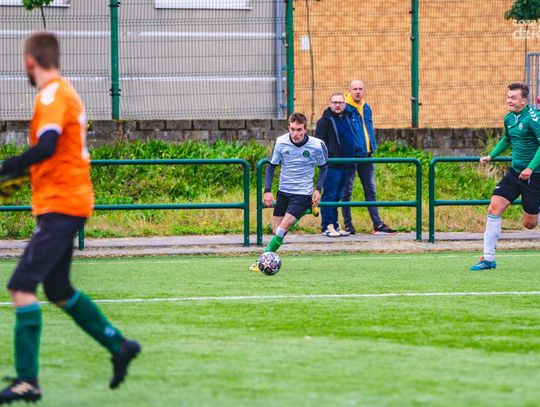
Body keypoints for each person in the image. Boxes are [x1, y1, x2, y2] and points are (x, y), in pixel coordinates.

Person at [0, 32, 140, 405]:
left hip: (62, 205)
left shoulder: (51, 95)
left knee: (21, 286)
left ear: (30, 62)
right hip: (65, 202)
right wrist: (16, 177)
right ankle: (119, 345)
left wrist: (8, 166)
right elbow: (55, 153)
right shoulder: (64, 93)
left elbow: (46, 145)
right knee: (58, 290)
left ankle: (27, 381)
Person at [470, 83, 540, 271]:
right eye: (508, 97)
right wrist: (491, 155)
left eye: (513, 97)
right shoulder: (509, 118)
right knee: (494, 207)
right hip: (515, 173)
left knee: (529, 224)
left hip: (534, 176)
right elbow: (507, 139)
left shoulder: (534, 118)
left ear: (524, 100)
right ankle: (488, 259)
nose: (509, 100)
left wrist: (531, 168)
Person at [249, 112, 328, 272]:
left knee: (281, 230)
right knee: (276, 230)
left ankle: (261, 261)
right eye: (292, 129)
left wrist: (318, 189)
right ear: (288, 127)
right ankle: (307, 210)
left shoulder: (317, 145)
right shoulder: (281, 142)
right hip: (284, 192)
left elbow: (324, 167)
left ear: (305, 129)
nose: (295, 133)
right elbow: (271, 167)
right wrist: (267, 191)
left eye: (299, 130)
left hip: (302, 193)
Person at [342, 80, 397, 235]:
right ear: (350, 90)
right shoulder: (345, 108)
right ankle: (348, 225)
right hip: (351, 156)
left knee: (370, 190)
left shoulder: (366, 108)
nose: (358, 91)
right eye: (355, 89)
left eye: (360, 88)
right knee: (347, 191)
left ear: (364, 90)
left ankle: (377, 224)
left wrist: (372, 146)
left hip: (367, 155)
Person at [316, 92, 362, 237]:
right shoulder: (324, 121)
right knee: (329, 196)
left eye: (340, 103)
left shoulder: (348, 118)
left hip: (346, 165)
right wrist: (328, 158)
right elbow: (319, 143)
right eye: (334, 102)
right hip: (332, 165)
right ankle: (327, 226)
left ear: (344, 104)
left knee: (337, 196)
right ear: (330, 103)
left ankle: (335, 224)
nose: (337, 105)